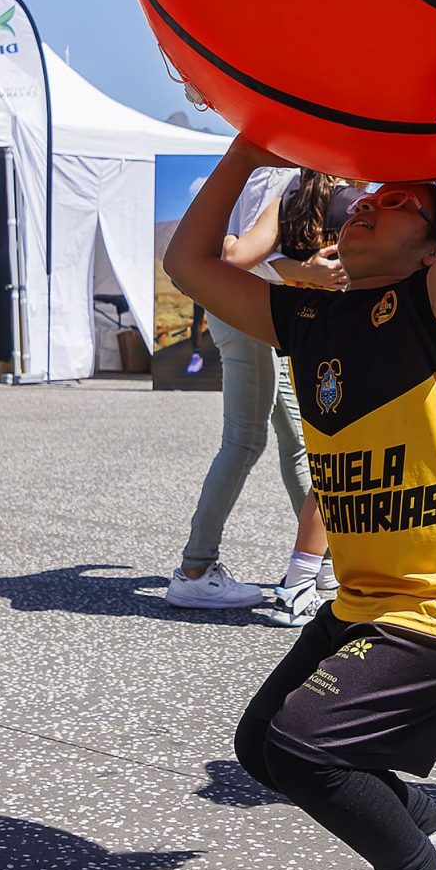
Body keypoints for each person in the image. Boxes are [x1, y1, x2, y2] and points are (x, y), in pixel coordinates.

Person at [171, 7, 436, 870]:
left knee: (303, 743)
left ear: (430, 245)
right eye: (367, 200)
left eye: (400, 207)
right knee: (262, 744)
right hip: (372, 598)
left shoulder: (431, 313)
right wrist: (250, 136)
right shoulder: (314, 318)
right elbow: (191, 268)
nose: (369, 207)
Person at [164, 161, 316, 609]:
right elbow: (241, 255)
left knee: (294, 439)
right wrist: (307, 273)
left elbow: (232, 245)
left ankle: (324, 558)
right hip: (249, 308)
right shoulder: (285, 178)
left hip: (242, 308)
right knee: (245, 442)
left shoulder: (253, 171)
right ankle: (195, 568)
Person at [243, 168, 363, 625]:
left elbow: (261, 258)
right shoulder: (349, 201)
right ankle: (298, 584)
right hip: (347, 337)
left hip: (310, 338)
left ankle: (323, 576)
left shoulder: (293, 196)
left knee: (328, 463)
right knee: (333, 467)